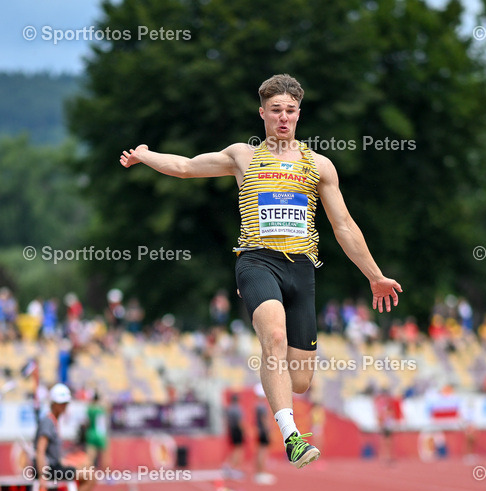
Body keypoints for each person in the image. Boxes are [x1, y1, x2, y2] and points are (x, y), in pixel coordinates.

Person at [121, 73, 402, 469]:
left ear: (299, 114)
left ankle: (279, 390)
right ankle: (291, 437)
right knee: (273, 335)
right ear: (262, 114)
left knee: (301, 380)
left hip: (302, 269)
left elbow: (344, 225)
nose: (283, 118)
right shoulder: (243, 156)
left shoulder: (319, 166)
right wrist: (144, 155)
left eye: (290, 111)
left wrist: (374, 275)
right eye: (275, 111)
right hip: (256, 260)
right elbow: (185, 166)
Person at [34, 383, 96, 491]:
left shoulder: (52, 421)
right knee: (90, 476)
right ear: (54, 404)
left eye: (66, 403)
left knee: (86, 466)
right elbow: (40, 450)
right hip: (50, 470)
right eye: (61, 404)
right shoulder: (48, 422)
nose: (65, 407)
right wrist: (42, 475)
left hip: (54, 466)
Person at [253, 398, 276, 485]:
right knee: (263, 451)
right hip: (263, 431)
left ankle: (259, 472)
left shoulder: (257, 406)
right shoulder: (262, 406)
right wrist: (268, 430)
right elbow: (264, 419)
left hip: (260, 430)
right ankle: (261, 472)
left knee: (260, 451)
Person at [85, 390, 108, 470]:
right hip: (101, 434)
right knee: (105, 457)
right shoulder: (101, 409)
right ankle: (108, 476)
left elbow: (87, 421)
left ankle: (89, 474)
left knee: (90, 457)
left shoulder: (90, 409)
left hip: (91, 432)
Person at [224, 394, 246, 479]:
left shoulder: (229, 408)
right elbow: (240, 421)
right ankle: (234, 468)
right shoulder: (237, 408)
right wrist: (243, 432)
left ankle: (229, 465)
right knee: (238, 449)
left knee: (234, 449)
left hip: (232, 430)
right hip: (237, 430)